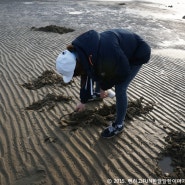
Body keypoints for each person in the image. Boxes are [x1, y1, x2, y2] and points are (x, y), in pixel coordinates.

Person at [56, 29, 151, 138]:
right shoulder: (79, 52)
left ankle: (119, 125)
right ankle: (97, 94)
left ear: (76, 65)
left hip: (138, 52)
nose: (75, 76)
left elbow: (123, 71)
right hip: (118, 52)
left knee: (120, 88)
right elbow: (87, 73)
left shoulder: (105, 53)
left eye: (73, 74)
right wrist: (83, 101)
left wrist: (104, 87)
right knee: (96, 69)